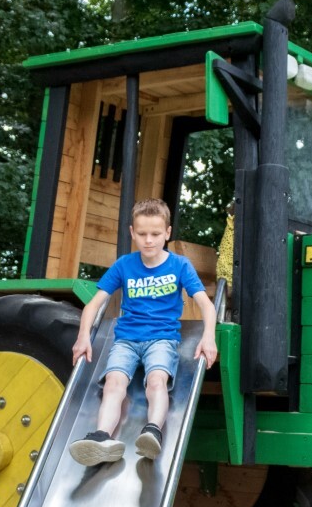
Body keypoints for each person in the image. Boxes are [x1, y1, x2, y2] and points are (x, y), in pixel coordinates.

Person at [68, 198, 218, 465]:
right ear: (132, 233)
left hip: (161, 339)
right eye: (142, 234)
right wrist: (82, 337)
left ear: (168, 233)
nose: (149, 240)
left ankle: (153, 431)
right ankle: (102, 437)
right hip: (126, 339)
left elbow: (206, 304)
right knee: (114, 383)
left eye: (156, 234)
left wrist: (209, 337)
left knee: (157, 380)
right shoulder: (125, 265)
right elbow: (93, 305)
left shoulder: (179, 266)